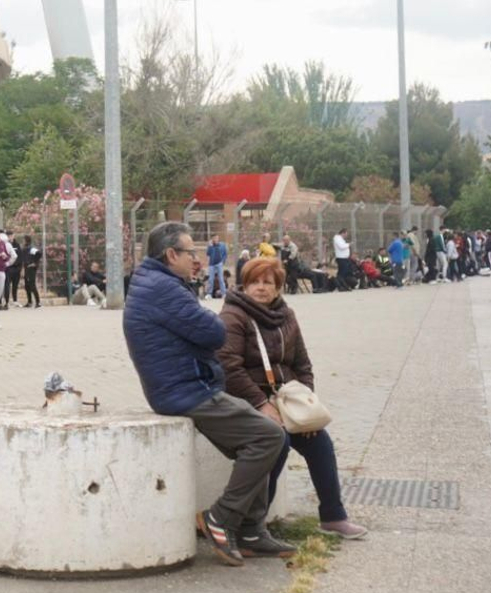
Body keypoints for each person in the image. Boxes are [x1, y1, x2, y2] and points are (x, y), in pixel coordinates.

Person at [122, 221, 289, 566]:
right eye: (190, 252)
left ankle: (251, 532)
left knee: (264, 434)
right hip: (185, 391)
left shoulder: (157, 282)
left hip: (186, 385)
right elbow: (215, 333)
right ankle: (221, 518)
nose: (196, 258)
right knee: (268, 436)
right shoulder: (163, 289)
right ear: (171, 255)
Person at [218, 258, 367, 545]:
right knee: (278, 442)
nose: (261, 288)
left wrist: (305, 404)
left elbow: (303, 364)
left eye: (268, 282)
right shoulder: (233, 316)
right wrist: (262, 404)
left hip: (286, 399)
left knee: (320, 442)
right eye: (254, 282)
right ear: (244, 285)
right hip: (249, 400)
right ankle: (254, 526)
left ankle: (333, 516)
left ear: (278, 287)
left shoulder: (286, 315)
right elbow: (228, 368)